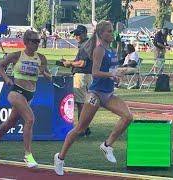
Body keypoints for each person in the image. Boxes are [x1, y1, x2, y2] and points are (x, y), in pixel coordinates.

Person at [54, 20, 133, 176]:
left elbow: (111, 70)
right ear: (101, 34)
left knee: (128, 116)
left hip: (108, 94)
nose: (112, 34)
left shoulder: (112, 50)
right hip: (95, 94)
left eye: (112, 31)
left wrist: (116, 75)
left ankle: (107, 145)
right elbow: (95, 72)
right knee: (80, 129)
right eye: (109, 31)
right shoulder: (99, 50)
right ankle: (60, 157)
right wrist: (112, 74)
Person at [0, 30, 52, 168]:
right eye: (34, 41)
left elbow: (49, 77)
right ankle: (28, 155)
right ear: (26, 42)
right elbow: (0, 66)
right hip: (16, 91)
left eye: (39, 41)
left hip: (29, 94)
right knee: (30, 119)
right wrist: (6, 78)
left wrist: (43, 72)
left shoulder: (41, 58)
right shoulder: (16, 55)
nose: (37, 44)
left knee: (10, 122)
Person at [63, 25, 92, 136]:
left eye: (78, 34)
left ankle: (81, 129)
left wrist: (69, 63)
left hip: (81, 76)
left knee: (81, 105)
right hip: (87, 76)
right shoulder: (88, 44)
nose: (76, 36)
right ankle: (85, 128)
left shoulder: (85, 45)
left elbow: (82, 63)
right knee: (86, 105)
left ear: (84, 33)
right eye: (75, 34)